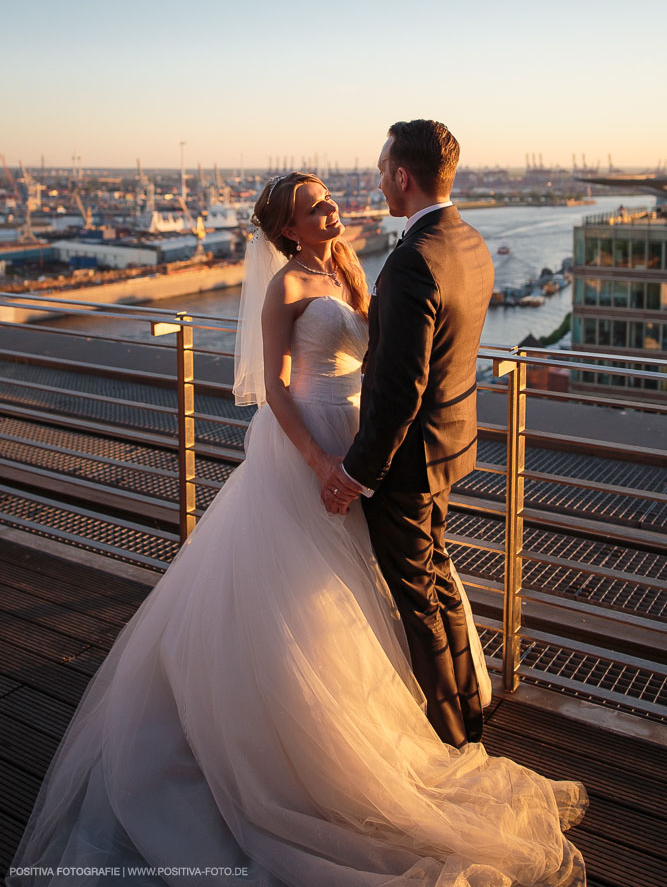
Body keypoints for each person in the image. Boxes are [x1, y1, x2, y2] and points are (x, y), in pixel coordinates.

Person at [8, 170, 587, 887]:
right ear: (287, 228)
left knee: (359, 582)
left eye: (328, 199)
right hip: (309, 440)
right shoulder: (285, 285)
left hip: (361, 434)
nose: (330, 210)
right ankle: (295, 731)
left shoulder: (348, 266)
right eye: (313, 207)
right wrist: (316, 459)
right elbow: (275, 385)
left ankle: (390, 709)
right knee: (300, 591)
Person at [322, 120, 494, 749]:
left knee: (417, 597)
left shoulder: (411, 261)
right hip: (452, 447)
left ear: (402, 175)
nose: (376, 178)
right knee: (439, 575)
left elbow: (398, 393)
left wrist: (355, 473)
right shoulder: (468, 242)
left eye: (381, 166)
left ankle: (453, 740)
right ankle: (471, 707)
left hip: (408, 463)